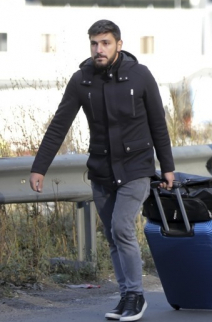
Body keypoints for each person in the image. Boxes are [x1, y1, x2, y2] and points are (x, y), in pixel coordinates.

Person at [29, 19, 174, 321]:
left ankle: (135, 295)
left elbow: (158, 124)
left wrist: (168, 167)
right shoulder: (81, 80)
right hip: (101, 170)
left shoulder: (140, 75)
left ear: (119, 45)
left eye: (105, 43)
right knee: (112, 235)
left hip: (136, 167)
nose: (99, 49)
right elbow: (59, 126)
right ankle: (125, 296)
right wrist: (39, 167)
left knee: (122, 227)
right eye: (94, 43)